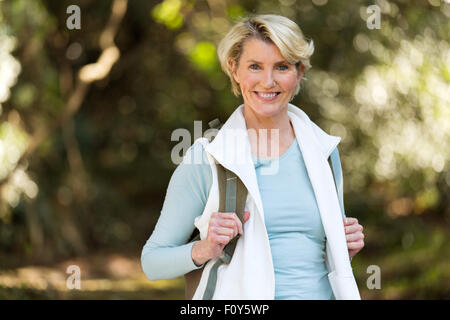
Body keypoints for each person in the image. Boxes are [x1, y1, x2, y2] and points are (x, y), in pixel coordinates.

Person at [141, 14, 364, 300]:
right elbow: (152, 262)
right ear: (235, 70)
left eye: (282, 67)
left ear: (299, 72)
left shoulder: (324, 152)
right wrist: (206, 247)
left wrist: (345, 249)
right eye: (255, 66)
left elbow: (315, 259)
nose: (268, 82)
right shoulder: (208, 157)